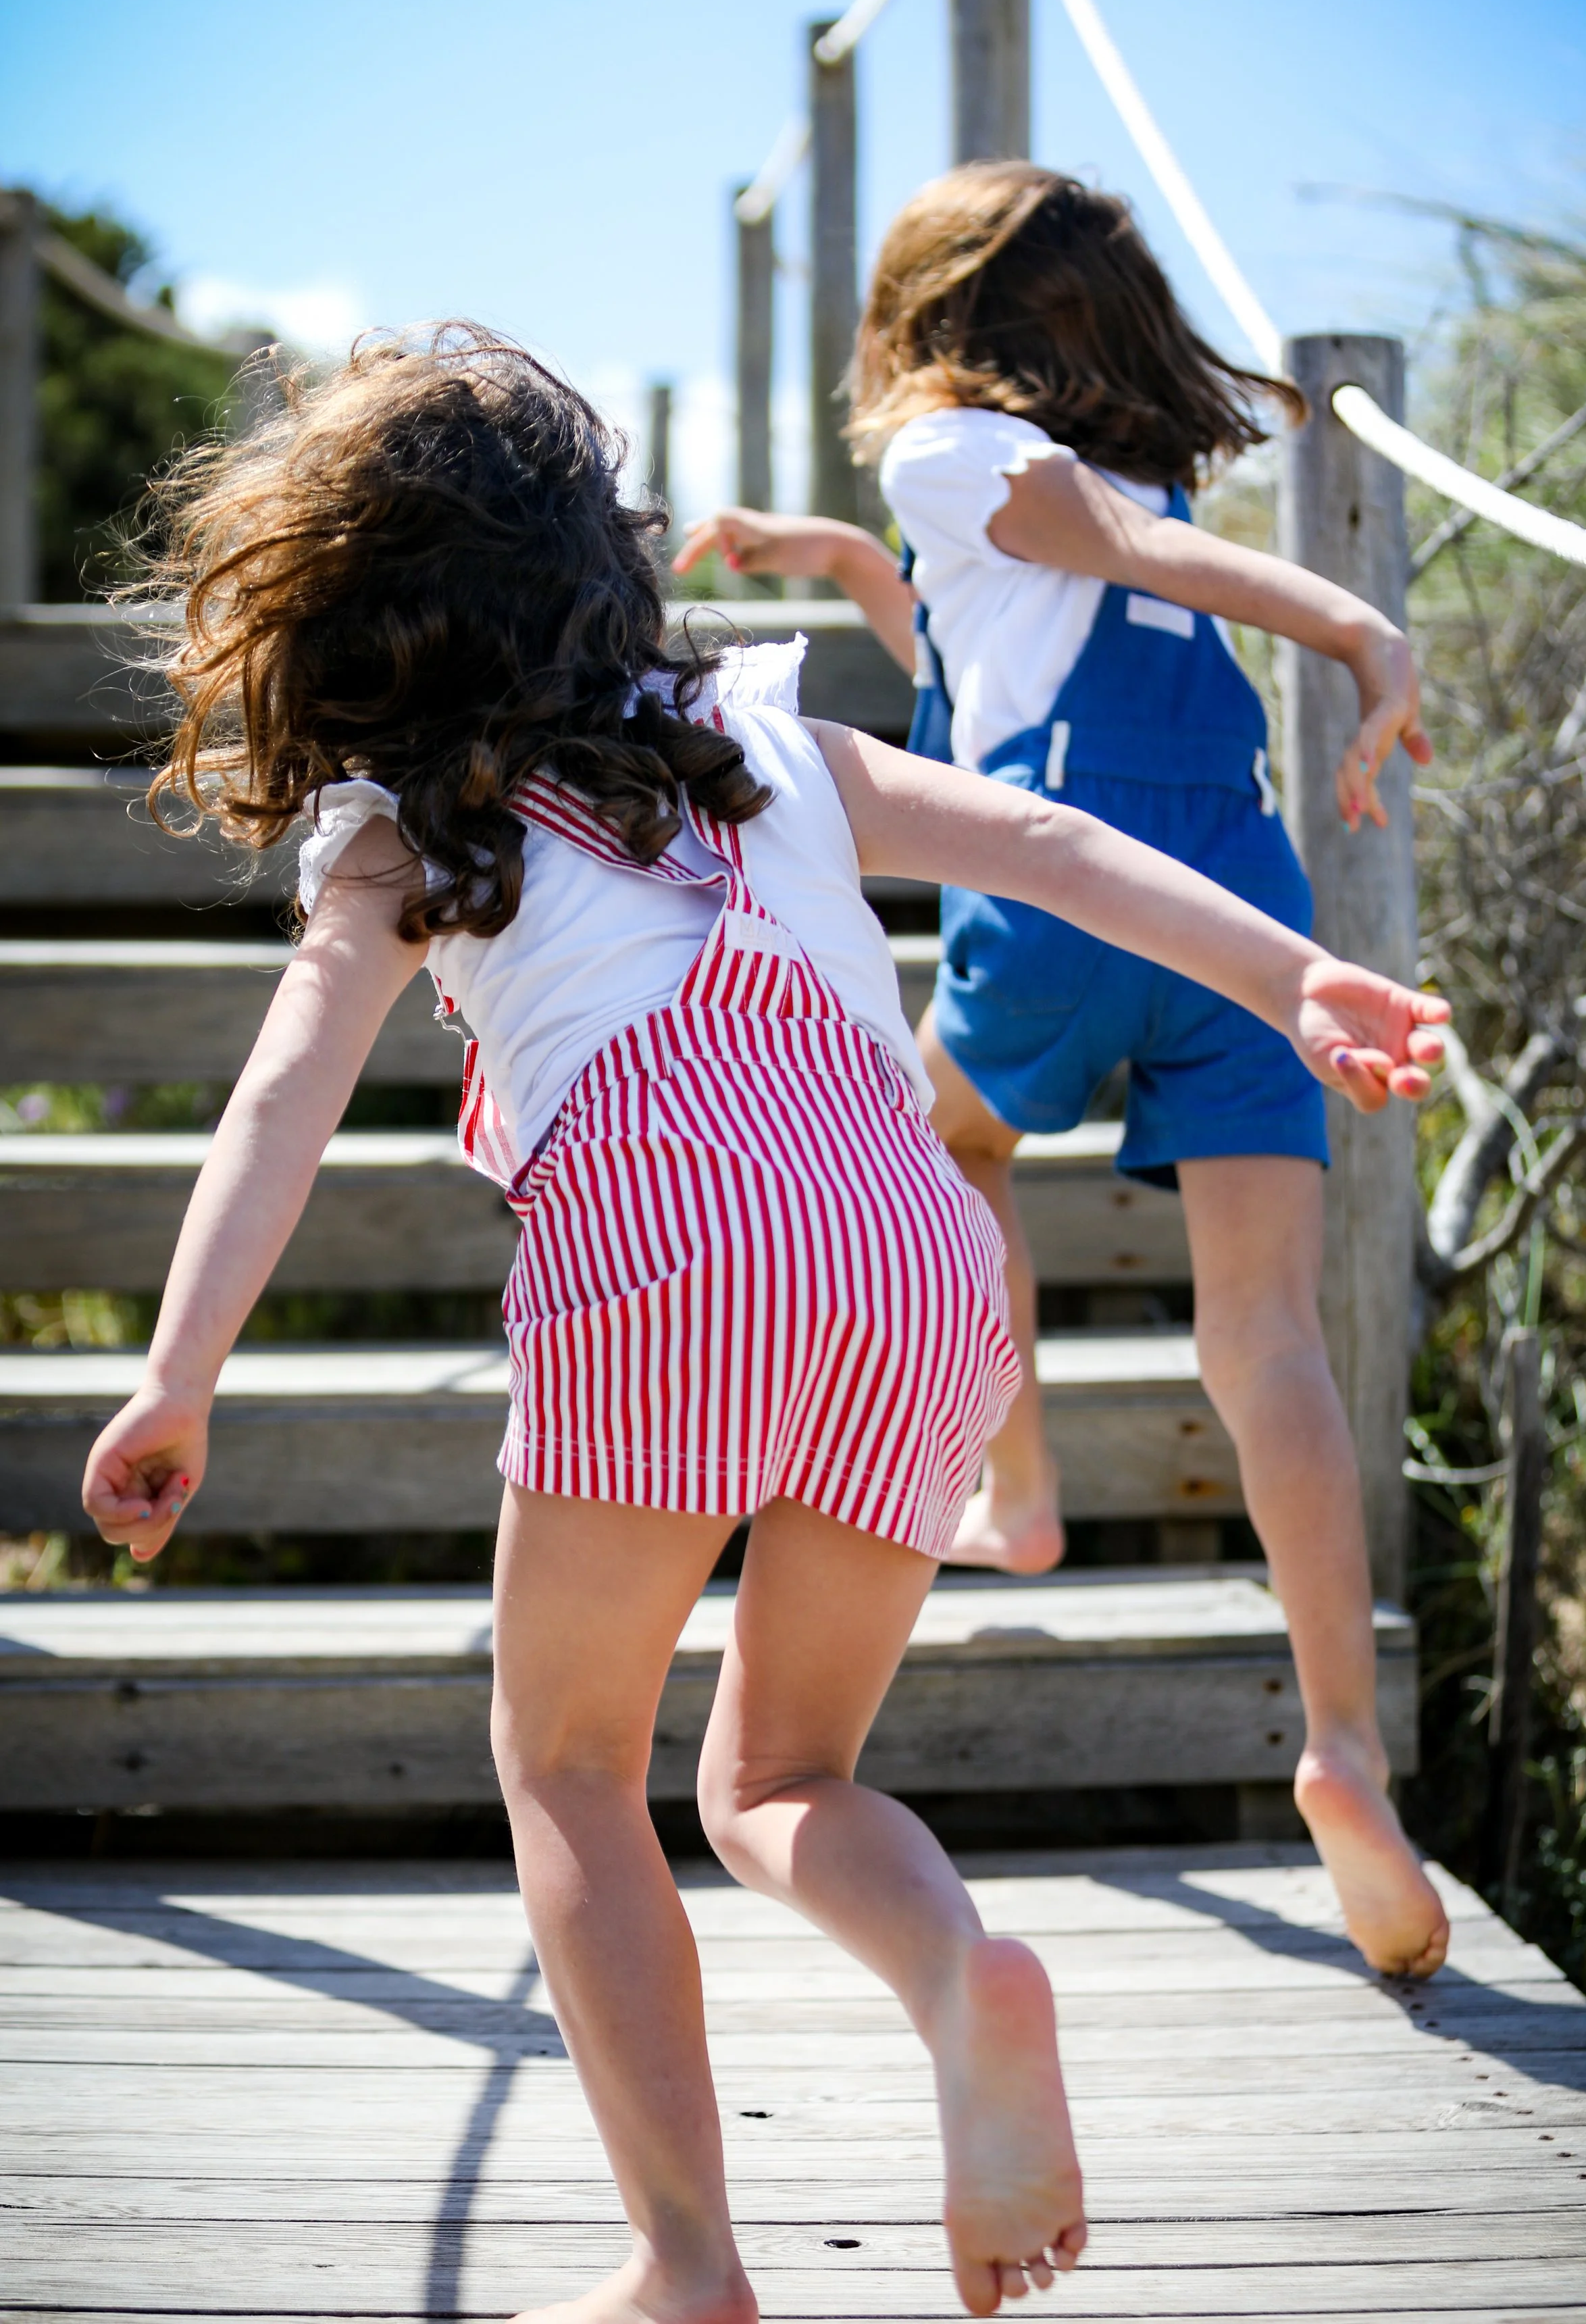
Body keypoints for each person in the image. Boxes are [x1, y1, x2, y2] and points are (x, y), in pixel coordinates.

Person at [82, 328, 1449, 2324]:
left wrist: (179, 1370)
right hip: (912, 1250)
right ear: (600, 566)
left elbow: (285, 1092)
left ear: (345, 611)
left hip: (661, 1231)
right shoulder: (766, 742)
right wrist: (1296, 974)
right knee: (783, 1774)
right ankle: (956, 1970)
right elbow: (1050, 847)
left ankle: (686, 2262)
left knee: (568, 1765)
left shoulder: (402, 827)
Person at [674, 161, 1450, 1984]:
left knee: (950, 1145)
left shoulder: (964, 450)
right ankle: (1341, 1738)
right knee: (1264, 1336)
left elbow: (1085, 558)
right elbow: (965, 649)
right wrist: (836, 557)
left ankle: (1010, 1485)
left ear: (935, 321)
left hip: (1072, 881)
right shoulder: (1111, 482)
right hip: (1240, 893)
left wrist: (1351, 622)